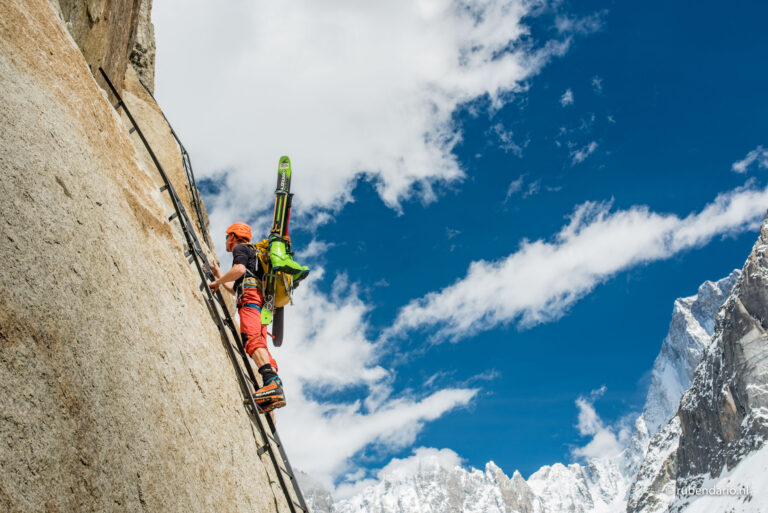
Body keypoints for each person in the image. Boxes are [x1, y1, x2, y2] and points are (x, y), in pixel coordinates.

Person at [209, 222, 285, 412]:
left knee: (251, 339)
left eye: (227, 236)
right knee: (260, 342)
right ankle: (275, 388)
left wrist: (217, 281)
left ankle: (271, 383)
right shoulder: (255, 255)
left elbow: (240, 271)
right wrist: (219, 275)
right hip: (260, 301)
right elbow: (236, 288)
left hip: (250, 298)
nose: (226, 240)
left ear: (233, 236)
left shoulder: (241, 248)